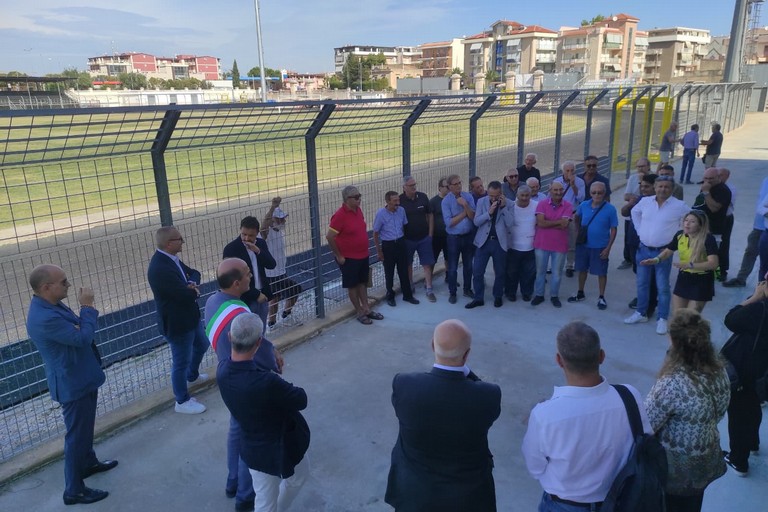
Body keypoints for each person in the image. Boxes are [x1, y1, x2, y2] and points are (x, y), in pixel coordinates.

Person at [522, 321, 652, 511]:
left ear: (559, 360)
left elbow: (535, 468)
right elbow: (645, 442)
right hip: (623, 500)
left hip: (565, 505)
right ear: (601, 356)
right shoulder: (629, 396)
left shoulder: (544, 415)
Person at [385, 319, 501, 512]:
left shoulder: (404, 385)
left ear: (432, 345)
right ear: (467, 355)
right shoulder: (488, 395)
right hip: (467, 499)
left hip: (415, 495)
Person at [26, 264, 117, 506]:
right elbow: (83, 337)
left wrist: (80, 325)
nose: (68, 285)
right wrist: (86, 308)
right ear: (47, 287)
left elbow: (78, 330)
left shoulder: (50, 305)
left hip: (81, 375)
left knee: (85, 428)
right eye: (64, 282)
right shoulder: (45, 317)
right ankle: (73, 490)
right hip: (72, 381)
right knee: (76, 435)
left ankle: (87, 463)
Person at [204, 258, 283, 511]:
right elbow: (258, 351)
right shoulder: (240, 314)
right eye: (248, 274)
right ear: (237, 283)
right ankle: (245, 497)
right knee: (253, 438)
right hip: (249, 381)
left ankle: (233, 481)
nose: (252, 276)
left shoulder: (213, 301)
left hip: (228, 376)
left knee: (237, 430)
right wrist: (275, 361)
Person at [217, 313, 310, 512]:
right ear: (259, 343)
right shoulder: (267, 382)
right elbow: (301, 399)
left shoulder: (222, 370)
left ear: (229, 337)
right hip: (279, 447)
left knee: (264, 498)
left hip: (252, 448)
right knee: (295, 479)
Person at [645, 309, 729, 511]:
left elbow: (646, 423)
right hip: (705, 459)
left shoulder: (673, 383)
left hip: (673, 471)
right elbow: (720, 410)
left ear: (674, 342)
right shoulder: (720, 371)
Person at [147, 226, 209, 414]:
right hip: (177, 323)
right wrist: (191, 289)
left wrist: (192, 284)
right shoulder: (159, 268)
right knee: (180, 362)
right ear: (168, 243)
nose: (183, 241)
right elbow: (183, 295)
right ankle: (181, 401)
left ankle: (193, 375)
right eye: (179, 239)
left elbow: (194, 273)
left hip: (190, 317)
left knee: (202, 344)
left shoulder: (171, 260)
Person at [625, 176, 690, 335]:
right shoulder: (645, 201)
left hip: (663, 252)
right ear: (655, 187)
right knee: (642, 283)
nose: (663, 189)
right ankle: (641, 313)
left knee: (662, 286)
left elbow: (690, 220)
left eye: (666, 187)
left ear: (672, 188)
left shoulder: (679, 206)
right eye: (660, 186)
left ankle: (662, 318)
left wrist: (678, 238)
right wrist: (640, 232)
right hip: (643, 249)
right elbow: (634, 212)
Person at [723, 281, 768, 477]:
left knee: (738, 413)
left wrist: (754, 298)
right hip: (762, 375)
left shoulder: (759, 310)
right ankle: (752, 443)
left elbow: (731, 319)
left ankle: (738, 460)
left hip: (746, 370)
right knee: (753, 405)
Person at [640, 211, 719, 313]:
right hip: (684, 277)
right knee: (678, 316)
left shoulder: (708, 239)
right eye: (686, 220)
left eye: (692, 221)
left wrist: (690, 265)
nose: (687, 223)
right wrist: (656, 259)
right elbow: (668, 251)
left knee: (690, 318)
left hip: (701, 281)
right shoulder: (679, 235)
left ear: (700, 225)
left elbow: (713, 264)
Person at [326, 185, 384, 325]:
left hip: (363, 255)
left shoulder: (358, 210)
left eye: (360, 196)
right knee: (352, 285)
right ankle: (359, 311)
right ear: (347, 199)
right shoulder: (339, 216)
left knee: (362, 283)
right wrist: (339, 255)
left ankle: (366, 308)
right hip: (349, 258)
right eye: (356, 197)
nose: (359, 199)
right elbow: (330, 236)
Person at [568, 182, 618, 310]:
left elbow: (613, 230)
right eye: (594, 192)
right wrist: (578, 231)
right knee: (582, 269)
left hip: (600, 246)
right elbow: (576, 217)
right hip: (584, 245)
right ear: (590, 193)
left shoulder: (610, 209)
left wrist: (608, 248)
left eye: (600, 192)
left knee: (601, 272)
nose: (597, 195)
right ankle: (580, 292)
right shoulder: (584, 205)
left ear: (604, 193)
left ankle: (601, 296)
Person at [223, 216, 277, 333]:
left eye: (251, 235)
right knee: (246, 336)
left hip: (262, 297)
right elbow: (232, 280)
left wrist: (257, 251)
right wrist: (256, 294)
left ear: (257, 233)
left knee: (260, 333)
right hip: (244, 300)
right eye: (244, 234)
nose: (246, 238)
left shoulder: (261, 244)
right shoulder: (231, 249)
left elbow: (271, 264)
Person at [467, 180, 513, 309]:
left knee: (500, 272)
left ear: (501, 194)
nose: (493, 198)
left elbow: (510, 223)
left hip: (499, 242)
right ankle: (478, 297)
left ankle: (498, 296)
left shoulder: (509, 204)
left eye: (496, 196)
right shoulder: (482, 202)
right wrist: (489, 213)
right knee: (477, 271)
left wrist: (503, 208)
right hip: (483, 242)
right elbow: (476, 221)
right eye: (491, 195)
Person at [261, 198, 303, 329]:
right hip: (271, 274)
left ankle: (280, 317)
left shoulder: (280, 232)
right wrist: (273, 207)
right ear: (272, 220)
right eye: (279, 219)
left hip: (281, 271)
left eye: (283, 218)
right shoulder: (267, 234)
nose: (283, 221)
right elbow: (263, 227)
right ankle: (275, 321)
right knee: (278, 296)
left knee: (276, 297)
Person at [373, 191, 419, 307]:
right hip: (388, 245)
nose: (397, 203)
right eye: (394, 201)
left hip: (400, 242)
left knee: (403, 270)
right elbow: (375, 233)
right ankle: (390, 296)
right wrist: (379, 251)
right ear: (388, 201)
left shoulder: (401, 211)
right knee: (389, 272)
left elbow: (404, 225)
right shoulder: (381, 214)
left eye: (398, 200)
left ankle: (407, 295)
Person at [532, 181, 572, 308]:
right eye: (555, 190)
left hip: (560, 245)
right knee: (540, 272)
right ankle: (539, 295)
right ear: (550, 191)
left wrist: (548, 222)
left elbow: (565, 224)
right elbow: (540, 223)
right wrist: (558, 222)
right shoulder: (542, 204)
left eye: (560, 190)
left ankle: (554, 296)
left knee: (557, 273)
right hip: (542, 243)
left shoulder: (568, 205)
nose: (558, 193)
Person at [624, 174, 659, 315]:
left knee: (648, 276)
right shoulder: (639, 199)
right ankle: (643, 298)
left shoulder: (658, 203)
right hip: (633, 242)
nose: (643, 189)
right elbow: (624, 212)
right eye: (641, 186)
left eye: (646, 186)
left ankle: (649, 305)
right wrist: (630, 203)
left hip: (647, 245)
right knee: (639, 273)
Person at [724, 177, 768, 287]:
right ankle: (742, 279)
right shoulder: (766, 180)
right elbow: (761, 204)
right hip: (760, 225)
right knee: (751, 251)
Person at [400, 176, 436, 302]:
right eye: (411, 185)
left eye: (414, 184)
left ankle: (429, 288)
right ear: (404, 187)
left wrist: (430, 234)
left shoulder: (423, 197)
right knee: (408, 264)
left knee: (427, 263)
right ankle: (410, 285)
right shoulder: (399, 200)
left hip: (424, 237)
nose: (414, 187)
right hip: (408, 239)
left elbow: (430, 214)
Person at [692, 167, 732, 282]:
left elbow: (714, 208)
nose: (708, 181)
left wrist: (706, 192)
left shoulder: (723, 190)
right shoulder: (707, 186)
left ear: (718, 178)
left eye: (711, 178)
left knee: (712, 256)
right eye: (705, 178)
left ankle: (717, 275)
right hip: (701, 227)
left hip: (714, 229)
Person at [442, 174, 476, 304]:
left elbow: (473, 216)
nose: (458, 186)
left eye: (459, 183)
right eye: (455, 184)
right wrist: (464, 213)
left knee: (468, 265)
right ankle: (453, 292)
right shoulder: (446, 201)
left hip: (468, 236)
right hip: (453, 238)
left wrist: (465, 205)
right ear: (450, 187)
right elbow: (449, 222)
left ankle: (467, 289)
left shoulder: (468, 197)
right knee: (452, 267)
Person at [553, 161, 585, 278]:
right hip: (558, 214)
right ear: (563, 171)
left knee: (572, 240)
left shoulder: (579, 182)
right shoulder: (557, 182)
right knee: (557, 240)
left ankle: (570, 265)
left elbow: (581, 198)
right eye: (567, 171)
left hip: (572, 214)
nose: (570, 173)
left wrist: (573, 185)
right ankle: (555, 265)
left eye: (572, 170)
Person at [619, 158, 652, 270]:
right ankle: (628, 259)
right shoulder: (633, 178)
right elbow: (626, 196)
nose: (640, 169)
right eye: (638, 166)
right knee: (629, 239)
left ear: (648, 166)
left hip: (646, 217)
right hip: (632, 215)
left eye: (643, 166)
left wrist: (636, 197)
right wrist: (638, 198)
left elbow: (649, 195)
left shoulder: (654, 178)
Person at [506, 184, 538, 302]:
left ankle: (526, 293)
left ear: (530, 195)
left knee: (529, 273)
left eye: (527, 195)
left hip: (530, 247)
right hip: (513, 247)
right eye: (522, 195)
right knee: (511, 272)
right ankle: (511, 293)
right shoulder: (511, 206)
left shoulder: (536, 205)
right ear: (517, 195)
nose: (524, 198)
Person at [430, 176, 450, 267]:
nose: (448, 188)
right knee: (432, 259)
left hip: (449, 234)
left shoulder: (452, 200)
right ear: (440, 188)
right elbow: (429, 219)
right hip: (436, 236)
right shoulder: (433, 202)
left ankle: (448, 276)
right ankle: (429, 280)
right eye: (446, 186)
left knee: (449, 257)